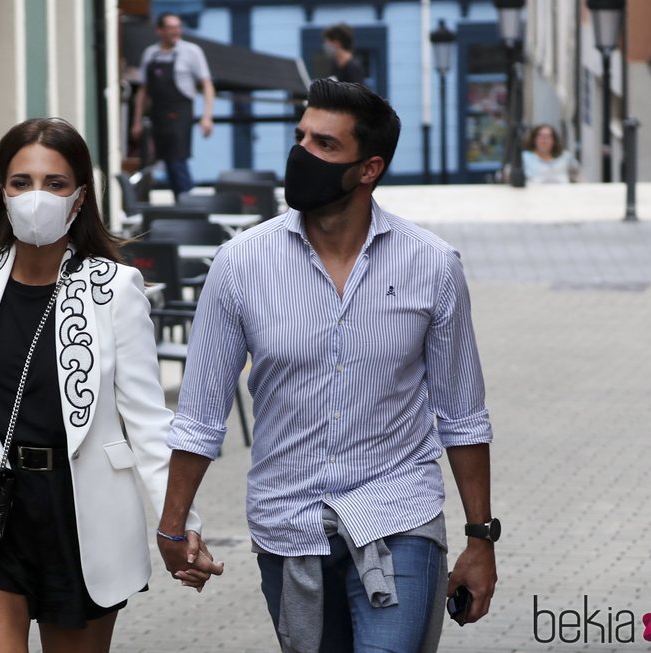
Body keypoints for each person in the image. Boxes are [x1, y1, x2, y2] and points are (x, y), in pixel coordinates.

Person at [157, 80, 499, 652]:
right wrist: (172, 525)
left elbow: (463, 416)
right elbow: (199, 415)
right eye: (300, 138)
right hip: (290, 523)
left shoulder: (432, 266)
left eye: (323, 144)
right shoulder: (240, 266)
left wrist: (480, 539)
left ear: (369, 169)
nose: (301, 156)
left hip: (398, 513)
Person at [0, 117, 222, 653]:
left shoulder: (114, 287)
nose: (37, 197)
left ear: (80, 197)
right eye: (21, 182)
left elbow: (148, 422)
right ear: (2, 190)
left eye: (55, 184)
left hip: (81, 517)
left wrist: (178, 526)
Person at [131, 12, 215, 197]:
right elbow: (143, 91)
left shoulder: (192, 51)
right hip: (158, 113)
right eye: (171, 28)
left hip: (181, 112)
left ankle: (187, 202)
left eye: (178, 27)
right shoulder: (150, 54)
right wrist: (137, 121)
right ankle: (179, 202)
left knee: (178, 159)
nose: (176, 31)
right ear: (159, 30)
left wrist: (207, 117)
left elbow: (207, 85)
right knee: (164, 160)